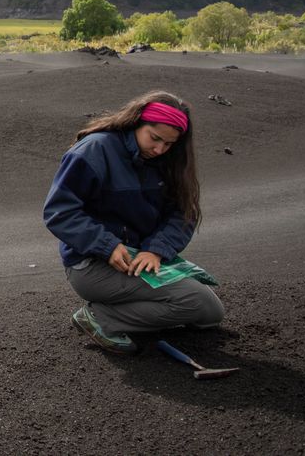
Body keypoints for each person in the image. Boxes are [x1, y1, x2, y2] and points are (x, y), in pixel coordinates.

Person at [42, 90, 224, 354]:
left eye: (169, 144)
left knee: (209, 314)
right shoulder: (95, 150)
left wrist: (156, 250)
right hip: (93, 265)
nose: (159, 149)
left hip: (140, 257)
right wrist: (107, 245)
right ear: (137, 122)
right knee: (197, 303)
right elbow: (59, 211)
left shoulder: (168, 160)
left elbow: (183, 214)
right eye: (155, 138)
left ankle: (118, 312)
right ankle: (101, 319)